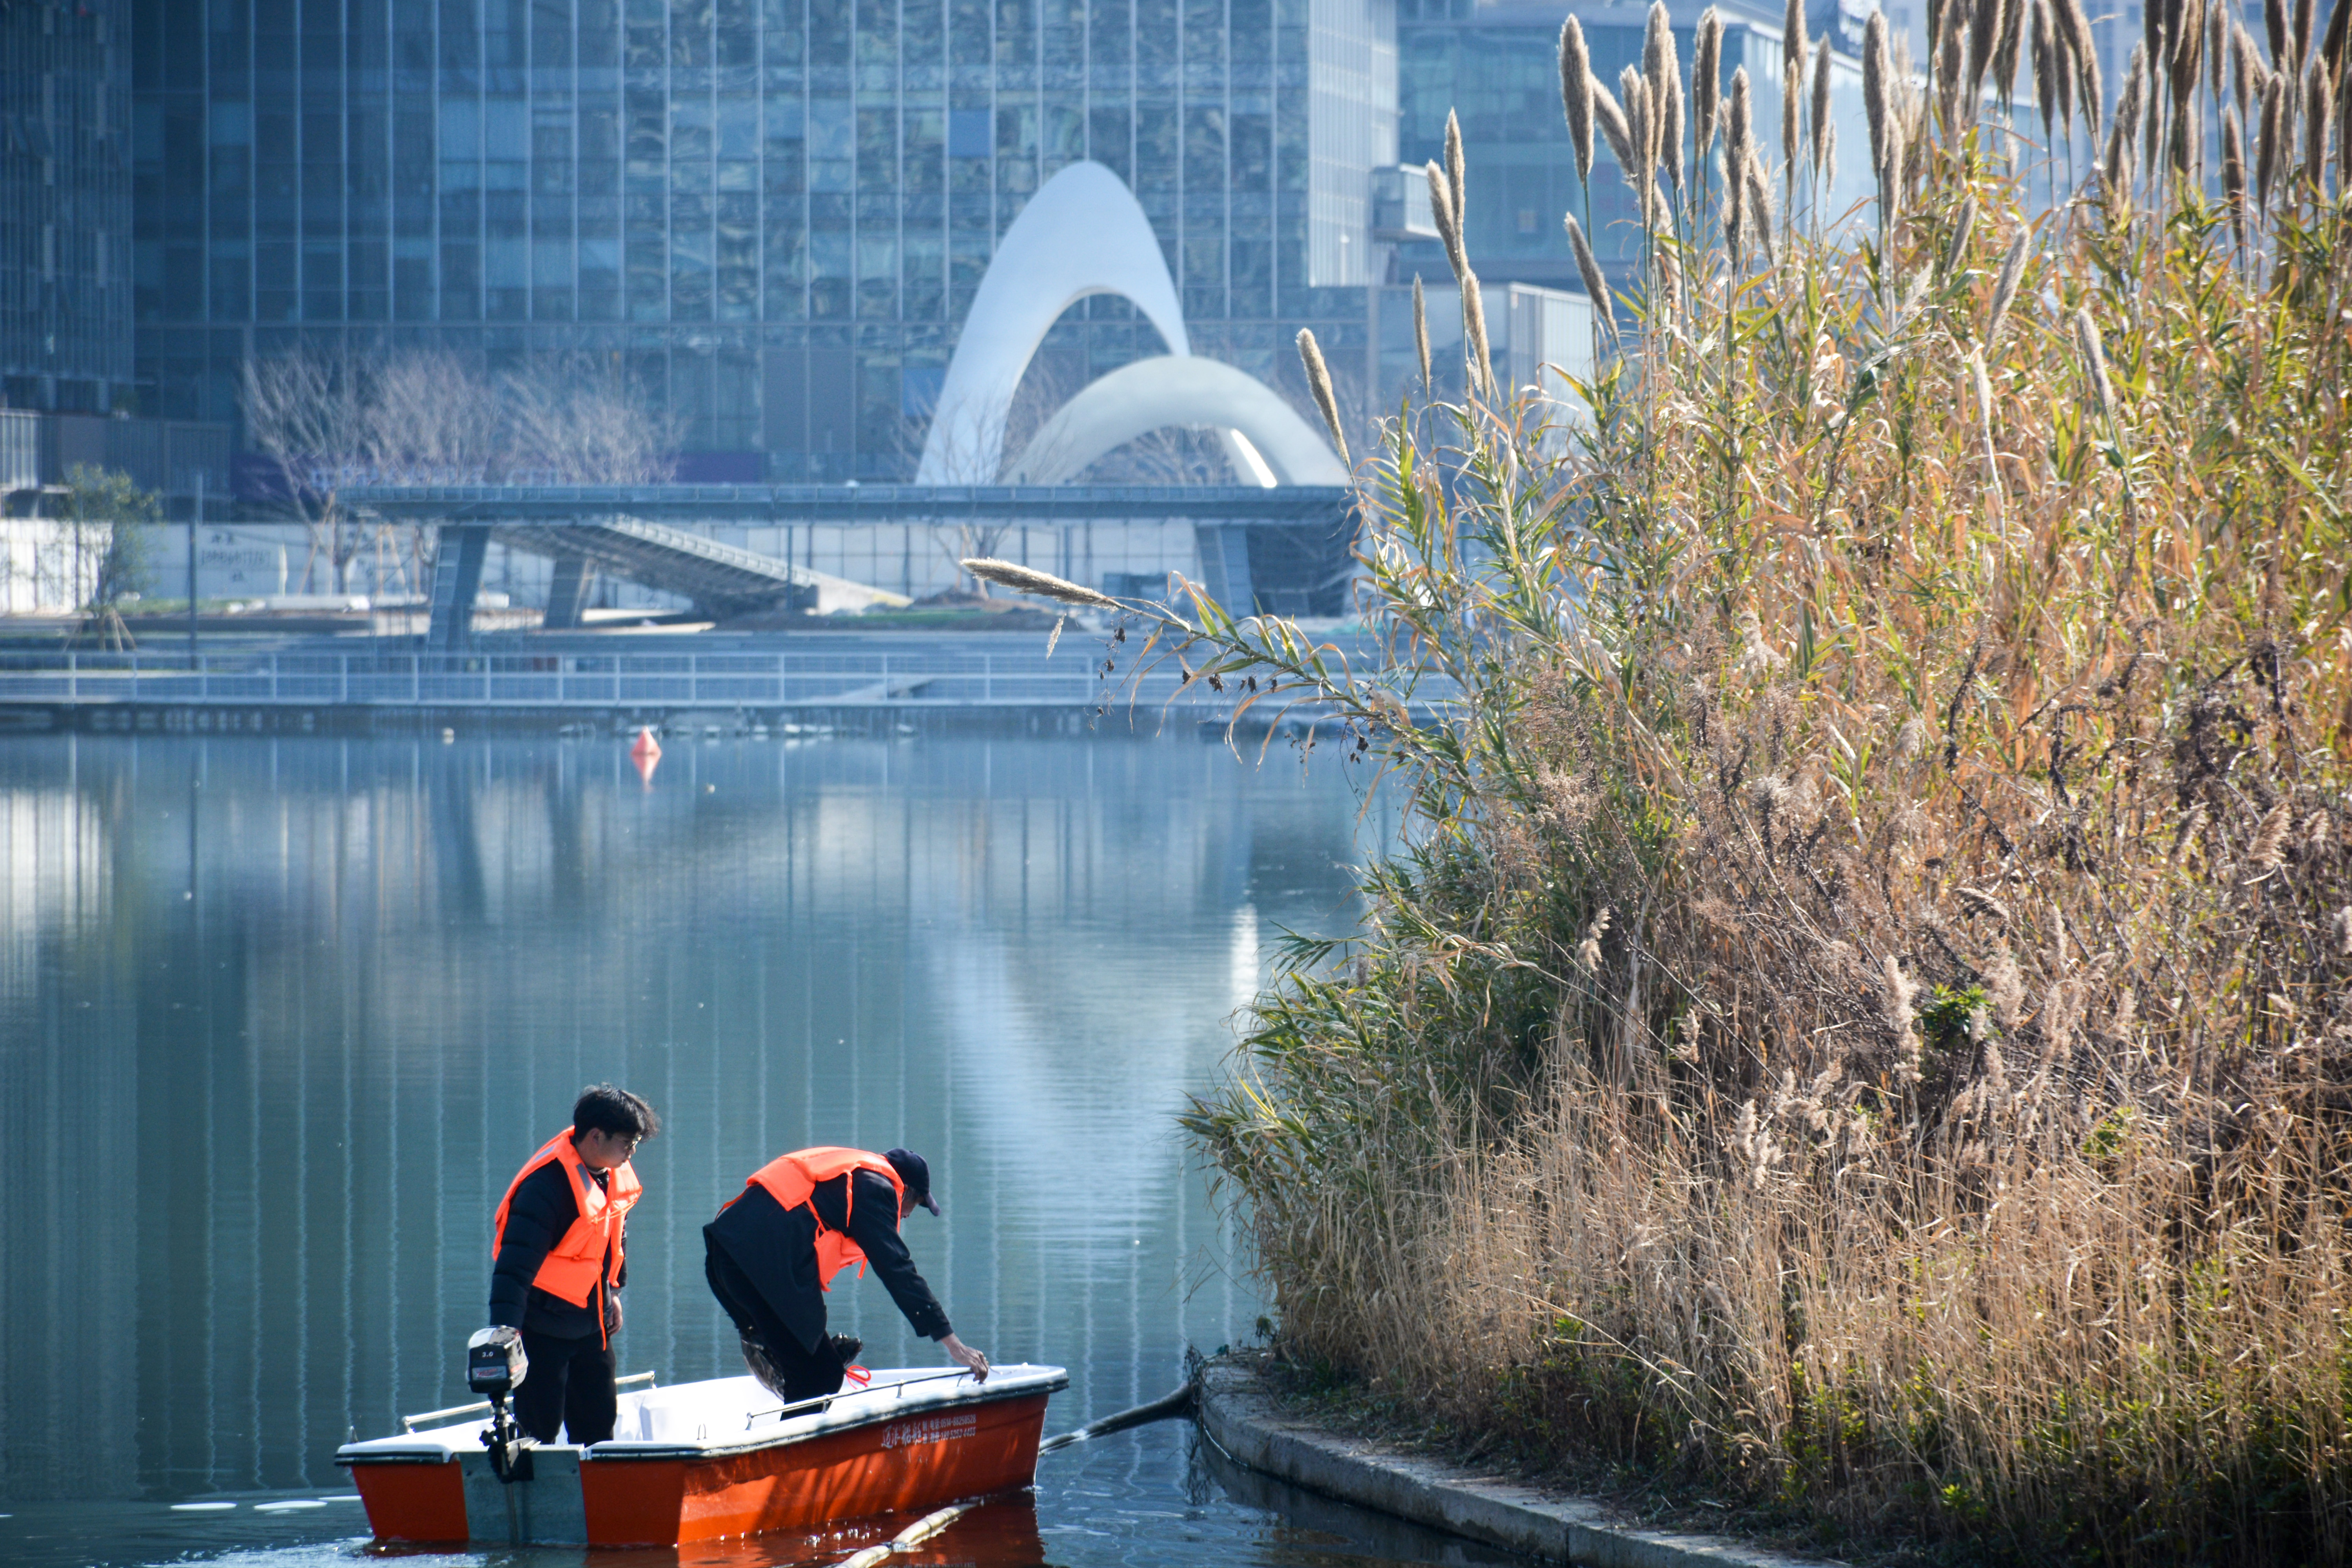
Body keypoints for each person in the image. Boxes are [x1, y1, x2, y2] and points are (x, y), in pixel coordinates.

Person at [704, 1145, 989, 1403]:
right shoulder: (876, 1189)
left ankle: (790, 1444)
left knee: (812, 1365)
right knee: (821, 1375)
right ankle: (796, 1458)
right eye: (918, 1205)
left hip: (727, 1257)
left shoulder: (851, 1177)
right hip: (759, 1264)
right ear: (907, 1192)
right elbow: (898, 1271)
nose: (908, 1216)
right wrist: (953, 1344)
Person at [488, 1084, 660, 1445]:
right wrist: (505, 1335)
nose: (632, 1153)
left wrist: (613, 1292)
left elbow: (613, 1236)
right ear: (596, 1136)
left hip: (591, 1324)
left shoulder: (612, 1173)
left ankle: (600, 1498)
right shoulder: (545, 1188)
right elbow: (513, 1269)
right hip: (542, 1328)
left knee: (598, 1428)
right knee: (538, 1433)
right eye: (627, 1143)